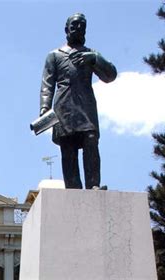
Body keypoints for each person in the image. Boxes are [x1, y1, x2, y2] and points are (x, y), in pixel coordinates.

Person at [39, 13, 117, 189]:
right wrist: (45, 108)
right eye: (74, 25)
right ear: (66, 29)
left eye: (82, 25)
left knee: (91, 140)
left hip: (85, 105)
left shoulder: (91, 55)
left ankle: (93, 185)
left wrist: (95, 59)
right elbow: (47, 85)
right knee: (68, 148)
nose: (78, 28)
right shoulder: (54, 55)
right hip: (63, 106)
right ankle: (73, 188)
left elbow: (110, 75)